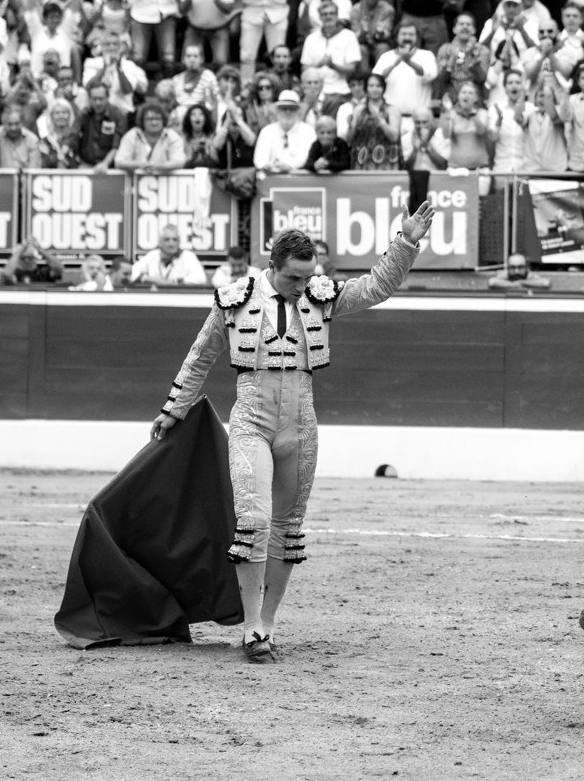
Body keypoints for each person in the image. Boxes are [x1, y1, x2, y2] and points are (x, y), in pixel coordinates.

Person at [149, 203, 436, 663]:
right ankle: (250, 627)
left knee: (287, 527)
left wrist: (405, 242)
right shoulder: (234, 299)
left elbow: (377, 287)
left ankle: (267, 624)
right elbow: (200, 356)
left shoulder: (319, 295)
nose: (302, 286)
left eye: (308, 277)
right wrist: (174, 409)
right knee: (255, 521)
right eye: (293, 278)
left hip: (301, 422)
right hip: (251, 419)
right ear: (272, 266)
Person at [372, 24, 439, 118]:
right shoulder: (386, 57)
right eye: (404, 34)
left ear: (417, 38)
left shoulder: (427, 55)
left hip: (419, 120)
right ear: (396, 37)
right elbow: (376, 80)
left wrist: (408, 61)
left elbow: (429, 75)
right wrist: (395, 63)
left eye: (411, 34)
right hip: (391, 118)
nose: (407, 37)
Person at [346, 74, 401, 171]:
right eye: (371, 86)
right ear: (366, 88)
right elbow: (350, 140)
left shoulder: (392, 110)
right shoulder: (359, 110)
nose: (374, 89)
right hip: (362, 159)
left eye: (378, 86)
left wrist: (380, 119)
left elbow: (394, 137)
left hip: (385, 159)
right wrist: (350, 126)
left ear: (383, 88)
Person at [254, 89, 318, 172]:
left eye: (292, 109)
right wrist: (267, 166)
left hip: (299, 176)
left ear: (298, 111)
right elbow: (259, 159)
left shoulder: (308, 131)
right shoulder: (267, 131)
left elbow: (307, 156)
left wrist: (289, 166)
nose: (288, 112)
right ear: (277, 110)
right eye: (283, 108)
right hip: (271, 175)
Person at [114, 101, 187, 172]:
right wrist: (139, 165)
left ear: (163, 120)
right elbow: (119, 162)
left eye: (158, 119)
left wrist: (155, 166)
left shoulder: (172, 136)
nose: (154, 122)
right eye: (149, 119)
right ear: (142, 120)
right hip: (135, 179)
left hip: (166, 179)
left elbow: (179, 162)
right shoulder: (132, 135)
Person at [131, 224, 209, 286]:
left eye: (175, 240)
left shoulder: (187, 256)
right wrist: (145, 278)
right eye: (167, 240)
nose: (171, 244)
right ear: (159, 242)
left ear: (179, 242)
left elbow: (201, 278)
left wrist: (176, 282)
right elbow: (132, 272)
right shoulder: (153, 255)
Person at [75, 84, 128, 171]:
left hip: (110, 167)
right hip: (85, 164)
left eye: (101, 99)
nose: (97, 103)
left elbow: (116, 145)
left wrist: (105, 163)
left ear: (107, 97)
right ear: (89, 99)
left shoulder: (118, 115)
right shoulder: (84, 113)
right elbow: (73, 135)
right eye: (94, 99)